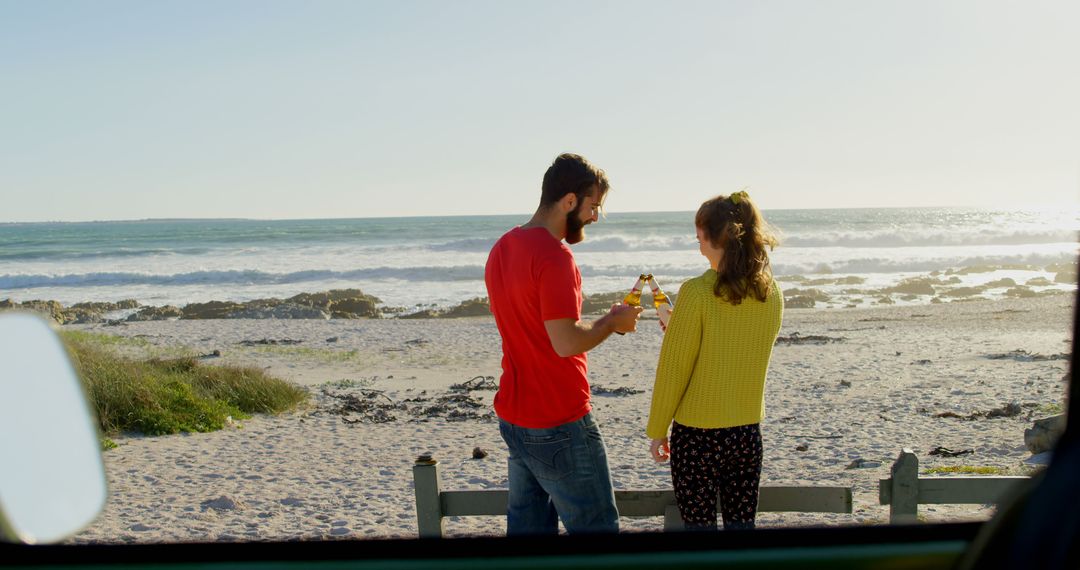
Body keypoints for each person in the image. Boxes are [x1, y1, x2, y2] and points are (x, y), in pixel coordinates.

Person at [484, 153, 644, 535]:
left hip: (515, 415)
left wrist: (603, 323)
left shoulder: (502, 248)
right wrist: (611, 322)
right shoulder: (555, 257)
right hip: (557, 417)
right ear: (570, 201)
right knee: (598, 530)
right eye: (594, 206)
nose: (595, 217)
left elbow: (538, 330)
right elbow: (565, 342)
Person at [645, 190, 783, 531]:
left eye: (699, 238)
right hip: (747, 432)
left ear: (715, 237)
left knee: (699, 533)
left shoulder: (695, 293)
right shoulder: (771, 292)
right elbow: (738, 350)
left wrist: (657, 429)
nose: (698, 246)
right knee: (741, 529)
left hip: (698, 436)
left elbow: (674, 368)